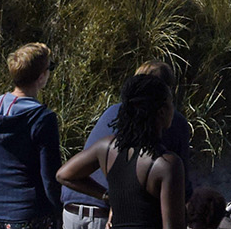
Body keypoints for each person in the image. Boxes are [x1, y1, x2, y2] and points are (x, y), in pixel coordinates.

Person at [61, 62, 195, 229]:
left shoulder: (107, 147)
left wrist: (108, 196)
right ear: (161, 111)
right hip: (103, 215)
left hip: (72, 211)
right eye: (170, 103)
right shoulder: (167, 164)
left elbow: (63, 175)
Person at [0, 43, 62, 229]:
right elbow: (49, 177)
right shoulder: (43, 118)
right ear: (41, 77)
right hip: (31, 211)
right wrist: (60, 209)